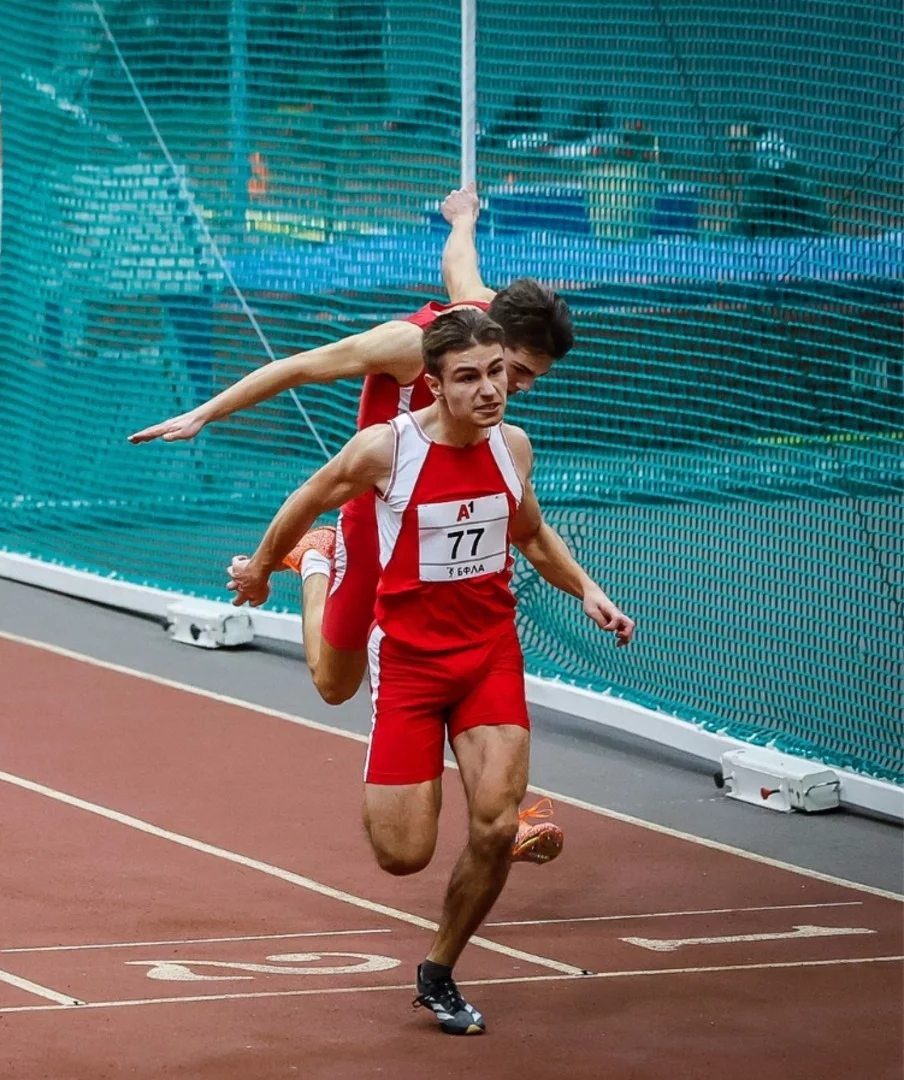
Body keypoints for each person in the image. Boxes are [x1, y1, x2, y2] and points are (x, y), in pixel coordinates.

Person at [228, 309, 634, 1035]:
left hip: (488, 658)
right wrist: (262, 570)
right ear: (437, 387)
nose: (491, 390)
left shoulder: (512, 446)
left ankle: (440, 972)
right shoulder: (386, 451)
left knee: (496, 824)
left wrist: (588, 588)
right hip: (410, 667)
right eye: (470, 378)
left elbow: (529, 530)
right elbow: (306, 497)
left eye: (499, 375)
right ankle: (316, 570)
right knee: (402, 857)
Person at [130, 188, 574, 715]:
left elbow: (462, 267)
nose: (516, 387)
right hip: (377, 503)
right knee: (335, 686)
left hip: (437, 512)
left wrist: (463, 219)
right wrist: (203, 413)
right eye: (519, 370)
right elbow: (298, 367)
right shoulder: (408, 345)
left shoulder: (483, 315)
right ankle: (318, 558)